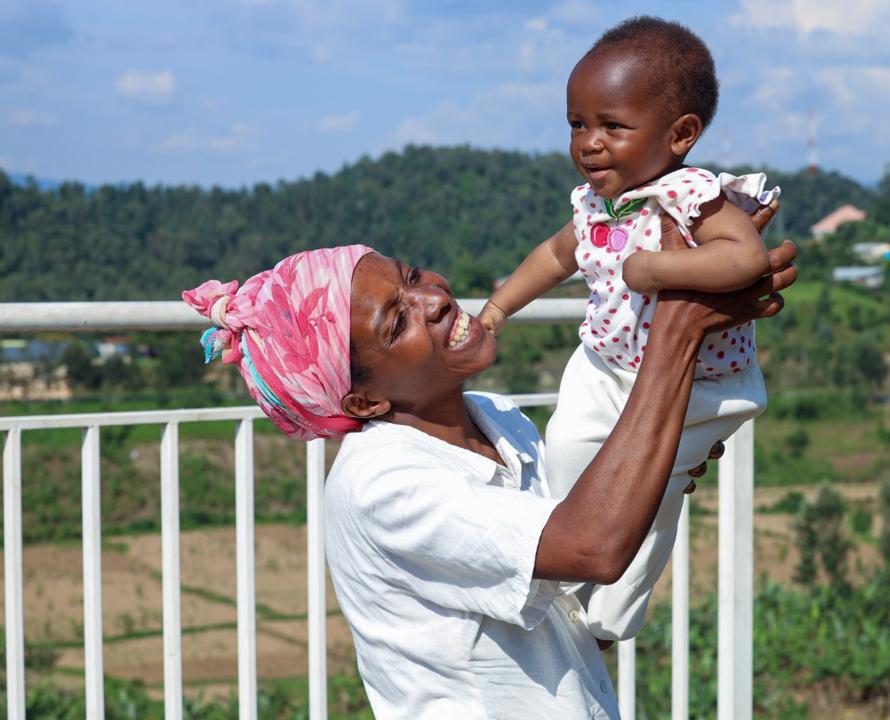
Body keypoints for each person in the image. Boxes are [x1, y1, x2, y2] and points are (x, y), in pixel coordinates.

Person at [182, 210, 795, 718]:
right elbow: (592, 547)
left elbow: (579, 585)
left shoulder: (497, 419)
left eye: (414, 275)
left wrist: (666, 462)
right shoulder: (379, 484)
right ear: (363, 401)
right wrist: (678, 328)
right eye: (397, 321)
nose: (434, 298)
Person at [478, 16, 781, 641]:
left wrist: (656, 268)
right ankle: (556, 574)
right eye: (577, 124)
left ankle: (609, 620)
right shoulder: (592, 205)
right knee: (565, 452)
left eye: (613, 126)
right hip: (605, 367)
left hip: (698, 387)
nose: (589, 143)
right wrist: (498, 308)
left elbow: (746, 258)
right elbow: (553, 257)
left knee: (651, 493)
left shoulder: (693, 194)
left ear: (680, 135)